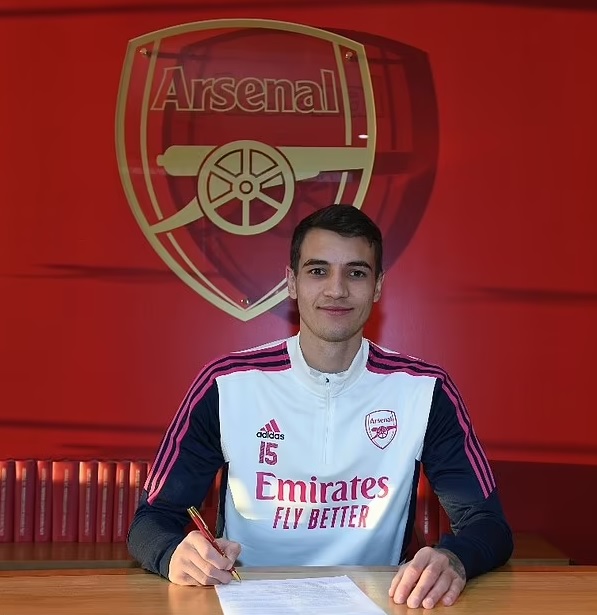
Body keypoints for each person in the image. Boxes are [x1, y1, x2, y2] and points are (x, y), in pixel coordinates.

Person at [128, 204, 513, 609]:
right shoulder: (225, 384)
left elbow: (487, 524)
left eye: (356, 273)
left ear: (378, 286)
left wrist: (453, 559)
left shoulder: (424, 390)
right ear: (292, 282)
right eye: (318, 271)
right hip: (248, 601)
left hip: (381, 602)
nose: (336, 289)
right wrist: (173, 554)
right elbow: (151, 521)